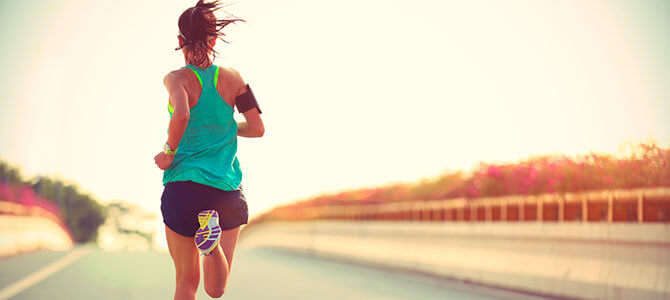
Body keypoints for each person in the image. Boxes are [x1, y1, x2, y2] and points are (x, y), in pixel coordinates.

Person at [153, 1, 264, 299]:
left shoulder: (176, 79)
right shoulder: (235, 79)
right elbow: (257, 128)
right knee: (215, 290)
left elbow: (182, 115)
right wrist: (227, 129)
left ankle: (208, 240)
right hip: (224, 191)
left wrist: (168, 152)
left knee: (186, 283)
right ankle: (211, 246)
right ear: (214, 39)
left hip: (183, 188)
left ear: (179, 41)